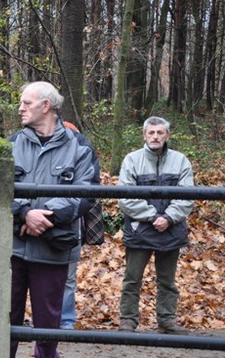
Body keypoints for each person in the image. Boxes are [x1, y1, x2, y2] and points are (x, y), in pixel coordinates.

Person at [8, 81, 95, 358]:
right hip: (14, 244)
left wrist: (44, 216)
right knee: (8, 309)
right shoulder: (11, 143)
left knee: (50, 313)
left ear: (45, 106)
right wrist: (24, 213)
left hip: (54, 244)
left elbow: (86, 192)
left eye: (26, 103)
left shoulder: (79, 145)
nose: (20, 108)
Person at [117, 116, 194, 334]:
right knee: (132, 279)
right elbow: (125, 197)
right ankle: (128, 320)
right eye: (151, 132)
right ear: (144, 135)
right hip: (140, 228)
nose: (155, 136)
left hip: (171, 228)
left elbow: (188, 196)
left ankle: (167, 320)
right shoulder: (132, 160)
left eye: (160, 132)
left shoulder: (181, 161)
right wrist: (152, 217)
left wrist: (168, 218)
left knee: (168, 280)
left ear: (167, 135)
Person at [59, 121, 101, 330]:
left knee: (68, 277)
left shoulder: (82, 156)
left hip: (73, 223)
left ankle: (66, 321)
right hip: (47, 220)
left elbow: (89, 193)